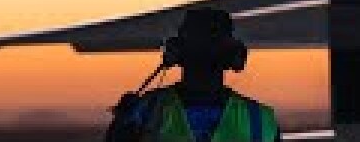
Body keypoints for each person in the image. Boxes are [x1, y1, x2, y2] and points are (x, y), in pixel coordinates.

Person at [105, 8, 280, 142]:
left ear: (176, 52)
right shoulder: (260, 119)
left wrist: (122, 123)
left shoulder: (145, 112)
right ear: (233, 56)